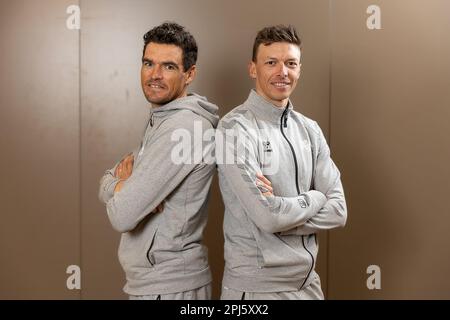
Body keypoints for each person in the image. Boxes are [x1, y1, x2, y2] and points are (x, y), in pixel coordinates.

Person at [216, 24, 347, 300]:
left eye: (290, 63)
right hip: (255, 291)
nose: (282, 72)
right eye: (271, 62)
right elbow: (267, 216)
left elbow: (338, 211)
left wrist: (279, 219)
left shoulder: (310, 129)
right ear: (253, 69)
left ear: (299, 69)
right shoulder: (234, 129)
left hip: (308, 286)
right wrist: (313, 198)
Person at [98, 22, 219, 300]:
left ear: (190, 74)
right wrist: (123, 185)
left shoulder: (184, 128)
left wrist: (127, 189)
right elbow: (106, 181)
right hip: (154, 282)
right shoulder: (161, 120)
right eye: (148, 63)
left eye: (169, 66)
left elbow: (122, 215)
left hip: (171, 285)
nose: (154, 75)